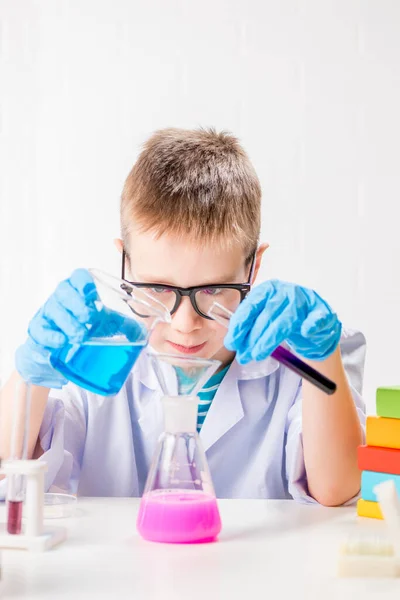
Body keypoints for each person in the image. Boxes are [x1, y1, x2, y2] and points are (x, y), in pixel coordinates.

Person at [3, 128, 366, 504]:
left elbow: (337, 491)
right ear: (124, 260)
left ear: (252, 270)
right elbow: (7, 472)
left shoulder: (303, 355)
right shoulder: (94, 355)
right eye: (158, 289)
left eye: (211, 291)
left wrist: (320, 356)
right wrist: (31, 374)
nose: (184, 323)